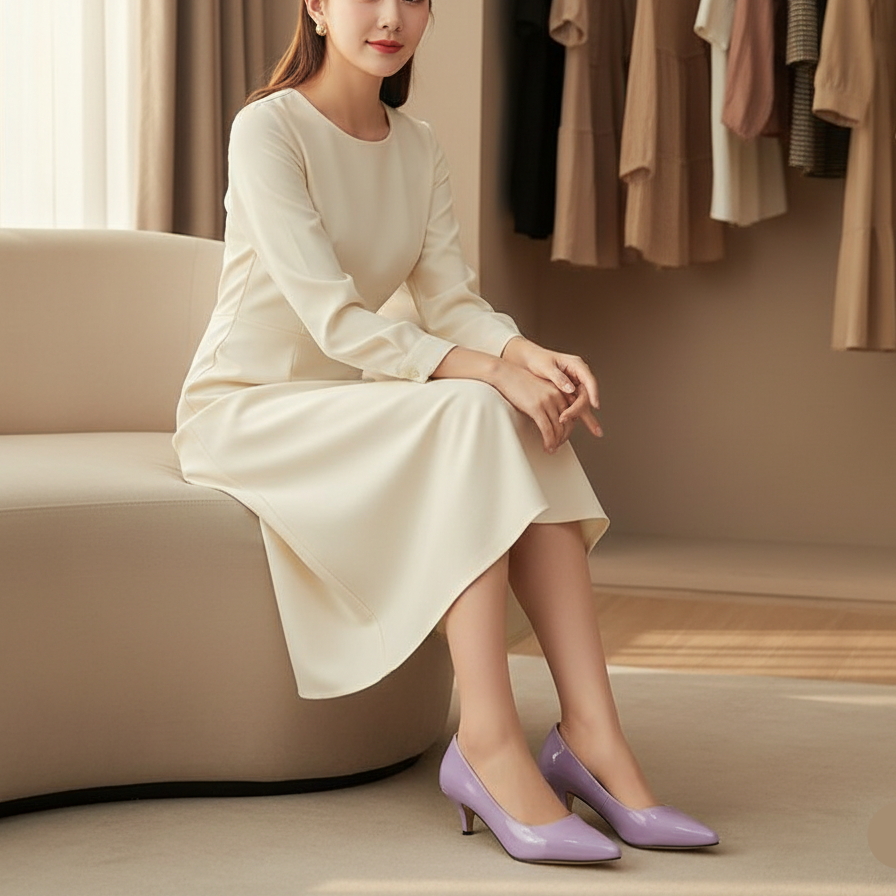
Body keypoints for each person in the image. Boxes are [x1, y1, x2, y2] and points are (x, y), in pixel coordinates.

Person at [173, 0, 719, 865]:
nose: (391, 16)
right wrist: (487, 373)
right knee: (475, 406)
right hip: (249, 409)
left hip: (349, 400)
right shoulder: (267, 128)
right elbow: (332, 319)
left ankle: (593, 736)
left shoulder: (417, 145)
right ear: (315, 3)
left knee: (519, 409)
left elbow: (452, 299)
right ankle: (489, 743)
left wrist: (524, 355)